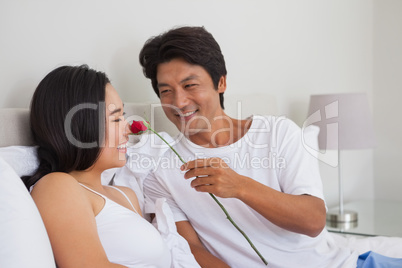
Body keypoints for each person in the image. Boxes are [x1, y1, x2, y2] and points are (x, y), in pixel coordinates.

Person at [137, 26, 402, 267]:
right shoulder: (161, 167)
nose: (179, 102)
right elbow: (189, 248)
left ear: (221, 82)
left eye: (190, 85)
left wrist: (239, 186)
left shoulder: (278, 133)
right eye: (166, 91)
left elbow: (313, 221)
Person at [22, 65, 172, 267]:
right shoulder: (57, 186)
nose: (128, 128)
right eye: (116, 118)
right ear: (80, 126)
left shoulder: (126, 195)